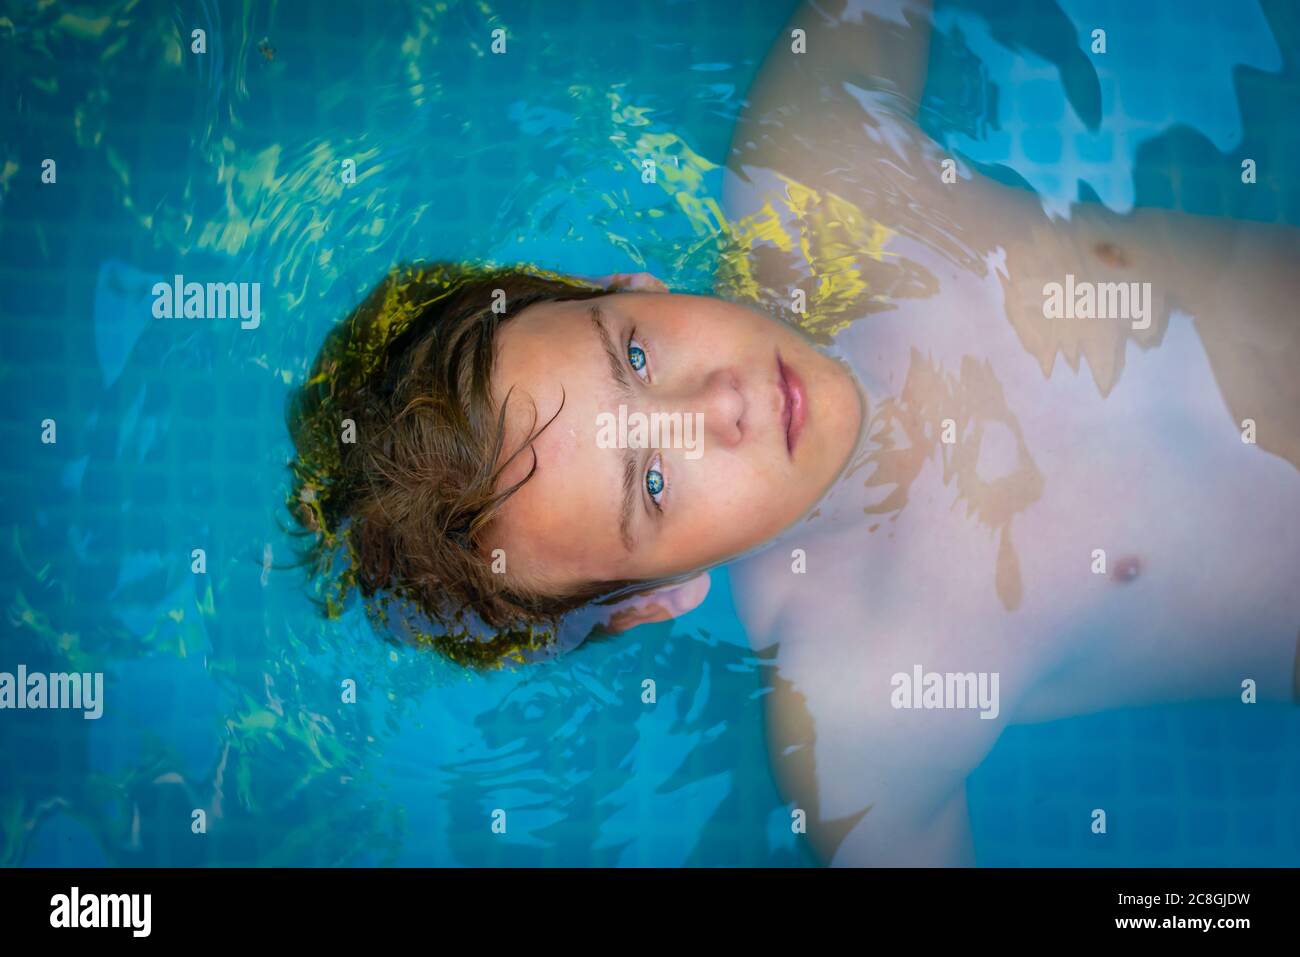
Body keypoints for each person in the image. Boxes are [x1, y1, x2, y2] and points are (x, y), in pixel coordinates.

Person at [288, 0, 1300, 862]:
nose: (717, 406)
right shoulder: (860, 706)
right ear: (656, 600)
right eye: (652, 486)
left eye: (635, 355)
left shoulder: (818, 177)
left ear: (623, 285)